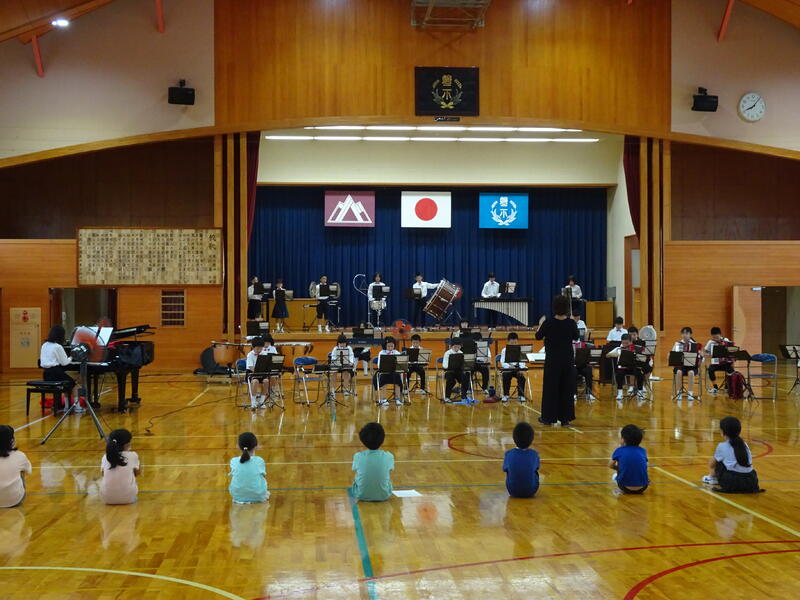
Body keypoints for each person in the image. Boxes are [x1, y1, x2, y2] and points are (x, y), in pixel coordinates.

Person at [535, 295, 579, 426]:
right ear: (567, 308)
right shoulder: (570, 323)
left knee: (551, 388)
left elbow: (538, 336)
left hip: (553, 360)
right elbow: (576, 337)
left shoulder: (548, 322)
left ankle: (548, 418)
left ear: (554, 307)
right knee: (566, 387)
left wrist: (540, 324)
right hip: (567, 360)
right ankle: (565, 419)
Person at [702, 416, 762, 493]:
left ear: (722, 431)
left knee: (719, 462)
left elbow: (711, 465)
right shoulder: (744, 444)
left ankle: (711, 478)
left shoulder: (722, 446)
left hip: (732, 483)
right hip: (751, 482)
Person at [351, 422, 394, 502]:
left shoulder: (358, 456)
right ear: (382, 439)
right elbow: (389, 470)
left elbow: (355, 470)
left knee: (357, 475)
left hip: (360, 495)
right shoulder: (389, 456)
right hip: (384, 495)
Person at [39, 325, 76, 410]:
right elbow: (64, 363)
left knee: (67, 383)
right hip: (56, 373)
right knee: (73, 384)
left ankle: (66, 406)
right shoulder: (58, 346)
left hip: (46, 374)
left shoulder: (44, 345)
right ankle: (76, 407)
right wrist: (72, 357)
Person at [100, 429, 140, 505]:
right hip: (129, 498)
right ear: (127, 444)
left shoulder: (105, 457)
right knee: (132, 479)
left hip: (106, 499)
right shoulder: (133, 455)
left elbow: (103, 474)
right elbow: (137, 473)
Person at [229, 432, 269, 503]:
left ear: (238, 446)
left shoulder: (233, 461)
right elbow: (263, 476)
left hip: (237, 496)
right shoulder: (259, 460)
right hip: (258, 496)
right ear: (255, 446)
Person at [503, 422, 540, 498]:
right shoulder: (534, 454)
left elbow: (505, 468)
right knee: (534, 471)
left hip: (512, 491)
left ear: (514, 438)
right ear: (531, 439)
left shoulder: (508, 453)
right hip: (531, 491)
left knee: (510, 471)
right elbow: (537, 467)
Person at [609, 424, 648, 494]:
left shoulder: (619, 450)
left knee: (616, 472)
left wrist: (619, 468)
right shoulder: (643, 451)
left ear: (623, 440)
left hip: (624, 487)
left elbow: (610, 465)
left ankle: (621, 488)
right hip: (643, 487)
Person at [0, 425, 32, 508]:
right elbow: (29, 471)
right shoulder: (20, 455)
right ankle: (12, 493)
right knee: (22, 472)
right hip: (14, 501)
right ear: (11, 440)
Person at [607, 334, 645, 401]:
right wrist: (615, 354)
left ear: (631, 342)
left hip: (633, 368)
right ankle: (620, 393)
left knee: (640, 373)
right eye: (623, 343)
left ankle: (640, 392)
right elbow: (607, 355)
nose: (624, 345)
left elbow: (644, 356)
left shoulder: (636, 348)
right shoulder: (618, 348)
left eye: (626, 343)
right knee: (619, 373)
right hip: (623, 368)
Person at [245, 335, 278, 409]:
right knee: (255, 381)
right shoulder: (250, 355)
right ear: (253, 347)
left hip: (261, 373)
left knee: (266, 381)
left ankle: (261, 401)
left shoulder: (264, 354)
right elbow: (251, 367)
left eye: (261, 348)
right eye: (257, 348)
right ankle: (253, 402)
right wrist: (259, 370)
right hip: (252, 373)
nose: (259, 350)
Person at [373, 336, 404, 406]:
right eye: (388, 346)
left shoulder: (396, 352)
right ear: (385, 346)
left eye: (392, 346)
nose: (390, 348)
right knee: (383, 379)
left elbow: (400, 364)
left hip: (394, 372)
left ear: (394, 345)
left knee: (398, 378)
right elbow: (379, 365)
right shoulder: (381, 352)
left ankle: (397, 399)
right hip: (384, 371)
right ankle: (383, 399)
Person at [672, 326, 701, 400]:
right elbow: (673, 356)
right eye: (683, 333)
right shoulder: (677, 344)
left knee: (691, 373)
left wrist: (700, 357)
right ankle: (678, 393)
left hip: (691, 367)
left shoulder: (695, 345)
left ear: (690, 334)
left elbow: (700, 359)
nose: (684, 335)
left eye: (686, 333)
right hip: (680, 366)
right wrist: (670, 355)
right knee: (678, 372)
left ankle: (690, 394)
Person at [499, 332, 527, 403]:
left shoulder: (520, 349)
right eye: (511, 343)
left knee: (522, 377)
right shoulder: (504, 350)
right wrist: (509, 366)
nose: (514, 344)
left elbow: (523, 361)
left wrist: (521, 368)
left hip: (517, 369)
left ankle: (521, 395)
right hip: (508, 369)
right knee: (505, 376)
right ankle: (506, 395)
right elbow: (502, 362)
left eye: (515, 343)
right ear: (508, 342)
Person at [705, 327, 735, 393]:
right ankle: (715, 387)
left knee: (731, 370)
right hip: (715, 362)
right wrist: (708, 354)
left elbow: (731, 350)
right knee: (710, 370)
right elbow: (706, 351)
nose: (715, 339)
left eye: (717, 337)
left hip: (725, 362)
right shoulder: (710, 342)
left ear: (720, 334)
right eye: (714, 337)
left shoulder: (726, 340)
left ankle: (727, 387)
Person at [443, 338, 472, 403]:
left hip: (458, 371)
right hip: (449, 371)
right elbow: (444, 365)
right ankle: (447, 397)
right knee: (450, 379)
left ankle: (464, 396)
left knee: (466, 376)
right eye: (455, 346)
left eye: (459, 347)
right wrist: (450, 366)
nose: (457, 348)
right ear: (451, 346)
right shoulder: (447, 353)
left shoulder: (461, 353)